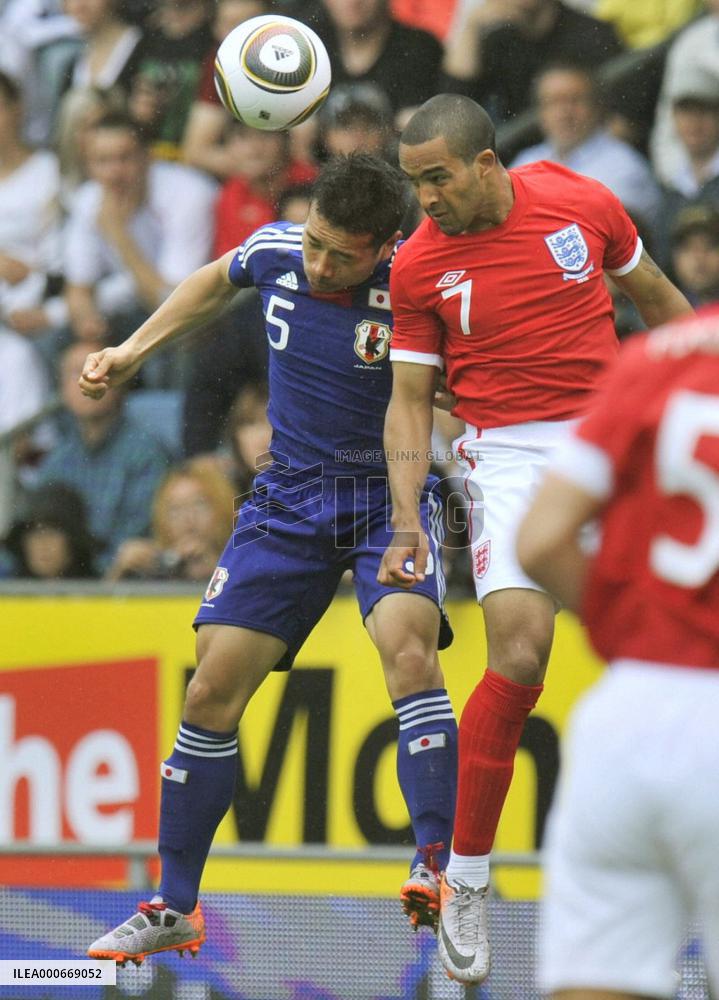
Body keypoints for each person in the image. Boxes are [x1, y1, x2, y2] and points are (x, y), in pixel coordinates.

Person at [81, 154, 458, 964]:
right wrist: (134, 348)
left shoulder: (416, 286)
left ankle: (439, 868)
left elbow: (420, 404)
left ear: (384, 245)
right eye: (316, 243)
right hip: (286, 495)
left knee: (408, 652)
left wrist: (405, 520)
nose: (320, 264)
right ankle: (174, 904)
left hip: (381, 490)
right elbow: (216, 280)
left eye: (341, 255)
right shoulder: (279, 248)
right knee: (210, 687)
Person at [377, 93, 693, 984]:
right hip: (507, 451)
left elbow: (662, 303)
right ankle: (467, 878)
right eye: (413, 183)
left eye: (437, 178)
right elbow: (407, 400)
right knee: (520, 647)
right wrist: (407, 515)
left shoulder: (581, 203)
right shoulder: (417, 267)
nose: (426, 198)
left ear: (486, 164)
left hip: (611, 436)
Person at [516, 306, 719, 1000]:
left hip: (628, 710)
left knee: (596, 983)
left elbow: (540, 540)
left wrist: (623, 631)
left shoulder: (652, 356)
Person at [35, 341, 170, 568]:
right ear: (62, 390)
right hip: (67, 581)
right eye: (76, 372)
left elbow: (139, 534)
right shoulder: (56, 459)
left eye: (99, 368)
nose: (89, 377)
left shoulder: (146, 453)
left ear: (120, 382)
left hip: (126, 582)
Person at [511, 62, 660, 232]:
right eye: (553, 102)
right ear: (540, 112)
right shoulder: (524, 162)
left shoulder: (624, 167)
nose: (564, 113)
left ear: (597, 106)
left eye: (575, 101)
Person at [106, 456, 235, 582]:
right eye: (175, 510)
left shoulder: (246, 557)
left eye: (199, 505)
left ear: (222, 506)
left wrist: (218, 570)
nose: (188, 519)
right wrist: (120, 571)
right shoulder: (154, 566)